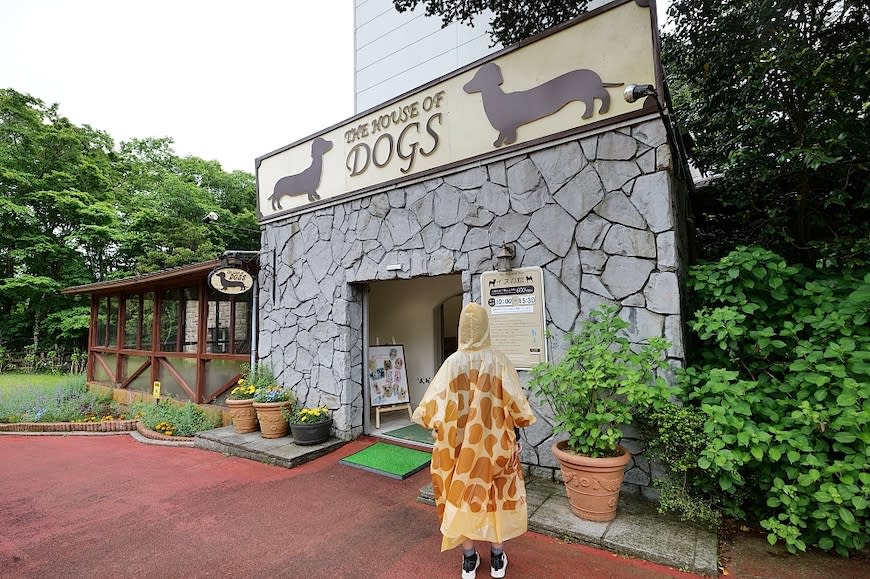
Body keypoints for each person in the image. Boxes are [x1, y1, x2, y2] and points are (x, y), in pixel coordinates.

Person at [413, 302, 536, 579]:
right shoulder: (499, 360)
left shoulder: (451, 363)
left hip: (458, 448)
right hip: (495, 444)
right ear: (486, 327)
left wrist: (437, 428)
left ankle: (469, 559)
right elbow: (515, 405)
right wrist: (516, 437)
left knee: (461, 497)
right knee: (496, 495)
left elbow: (432, 407)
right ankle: (496, 558)